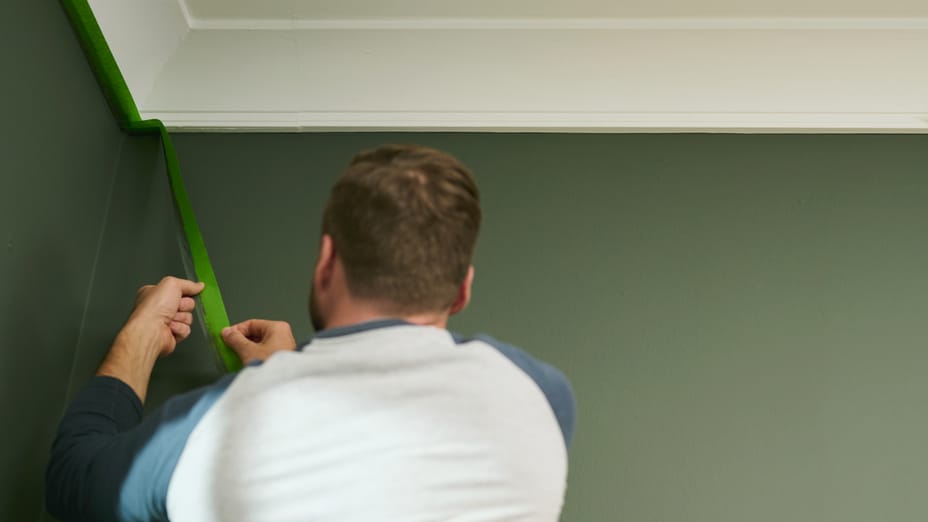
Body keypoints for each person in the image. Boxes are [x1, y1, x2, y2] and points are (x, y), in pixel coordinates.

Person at [46, 144, 575, 521]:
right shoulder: (544, 395)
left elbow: (72, 481)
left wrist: (141, 333)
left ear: (325, 263)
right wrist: (282, 375)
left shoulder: (219, 428)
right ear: (461, 291)